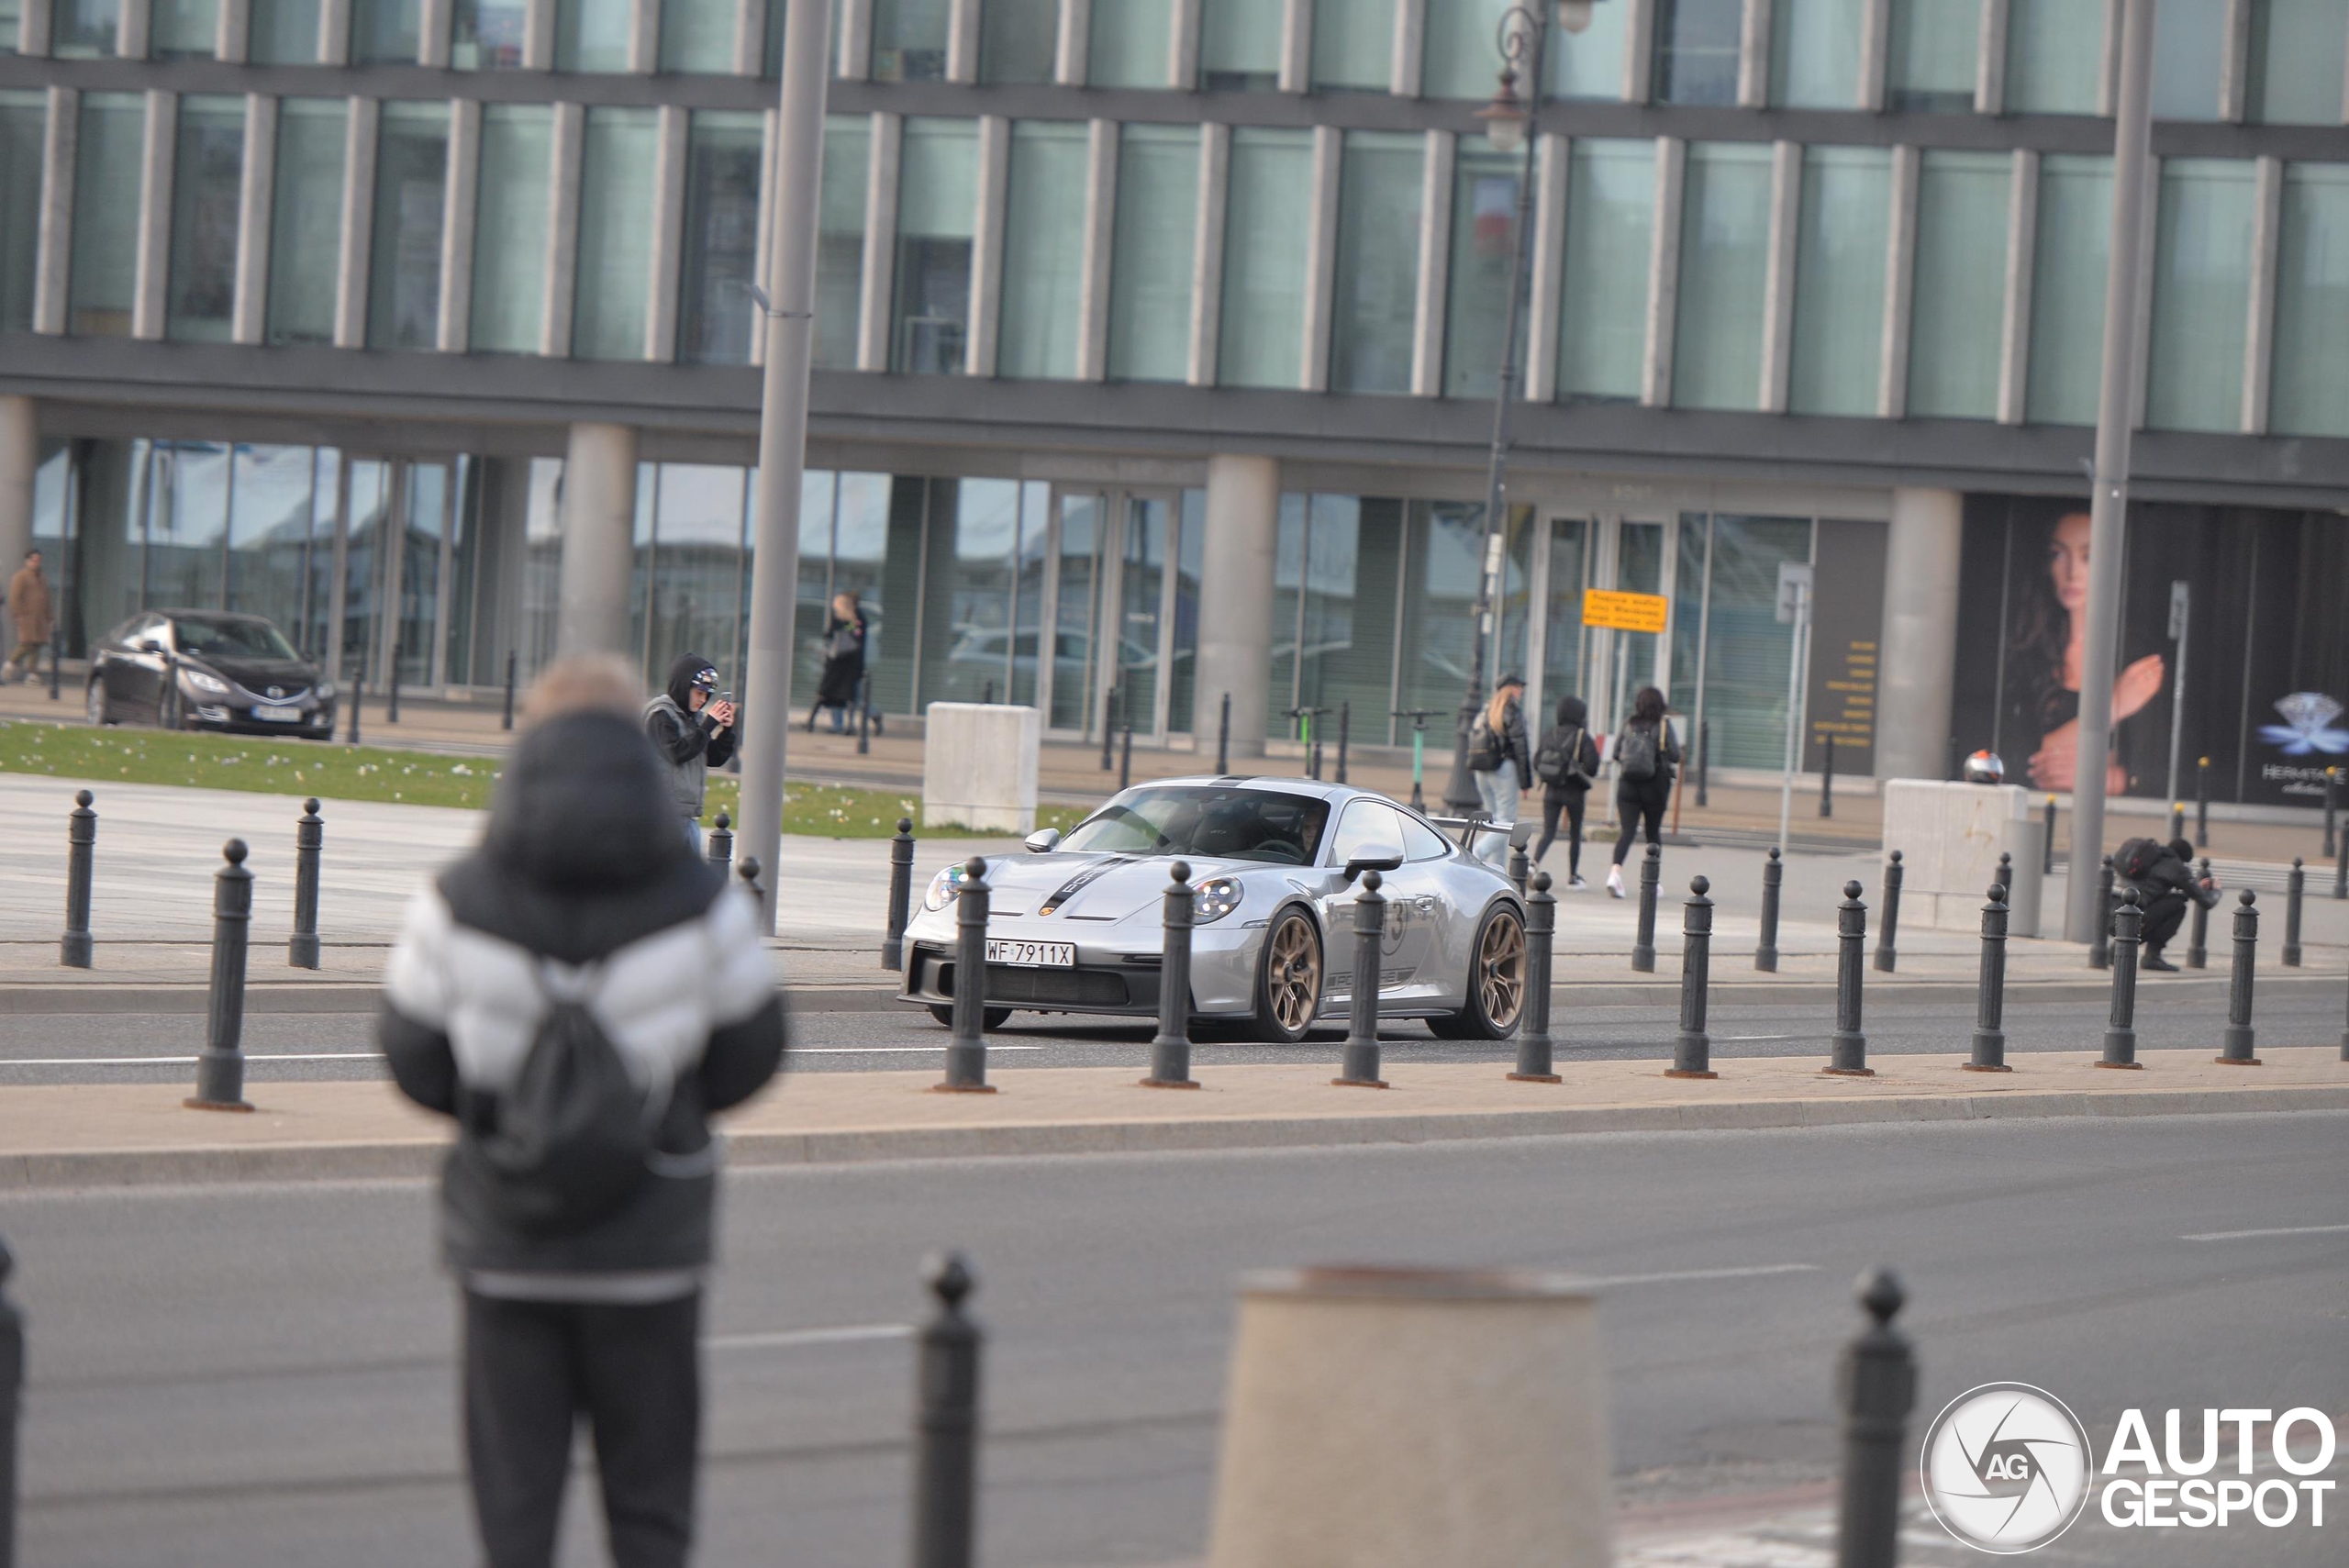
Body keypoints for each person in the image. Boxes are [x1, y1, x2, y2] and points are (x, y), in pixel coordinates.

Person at [378, 653, 788, 1568]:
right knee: (650, 1511)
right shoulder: (701, 901)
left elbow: (410, 1053)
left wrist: (499, 1113)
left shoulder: (455, 900)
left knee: (515, 1512)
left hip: (507, 1238)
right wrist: (666, 1107)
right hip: (650, 1240)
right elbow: (755, 1047)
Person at [2004, 509, 2165, 794]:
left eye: (2088, 557)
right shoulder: (2028, 650)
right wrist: (2116, 705)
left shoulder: (2137, 655)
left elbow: (2169, 765)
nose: (2071, 573)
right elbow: (2034, 756)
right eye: (2058, 555)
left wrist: (2111, 779)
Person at [644, 654, 737, 848]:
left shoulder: (693, 720)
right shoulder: (660, 715)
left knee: (688, 877)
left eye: (706, 695)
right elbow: (677, 752)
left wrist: (726, 730)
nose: (702, 700)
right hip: (664, 815)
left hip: (688, 816)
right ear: (683, 687)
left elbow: (713, 756)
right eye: (698, 693)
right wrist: (708, 725)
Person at [1607, 686, 1681, 899]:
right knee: (1653, 833)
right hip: (1655, 786)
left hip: (1627, 785)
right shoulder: (1664, 725)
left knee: (1627, 831)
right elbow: (1675, 755)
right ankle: (1652, 881)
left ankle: (1614, 874)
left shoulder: (1629, 723)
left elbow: (1616, 753)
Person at [2118, 835, 2219, 973]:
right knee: (2178, 905)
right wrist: (2217, 891)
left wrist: (2196, 886)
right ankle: (2152, 956)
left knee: (2167, 899)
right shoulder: (2176, 867)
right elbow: (2206, 902)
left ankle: (2115, 952)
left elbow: (2154, 887)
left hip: (2116, 914)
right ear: (2184, 858)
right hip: (2138, 919)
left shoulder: (2150, 858)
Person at [1531, 694, 1600, 887]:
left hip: (1551, 790)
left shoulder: (1550, 734)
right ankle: (1573, 876)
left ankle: (1533, 863)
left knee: (1548, 832)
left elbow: (1537, 761)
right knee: (1575, 834)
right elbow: (1592, 767)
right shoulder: (1582, 736)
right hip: (1574, 791)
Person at [1466, 673, 1532, 869]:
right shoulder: (1511, 710)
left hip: (1482, 770)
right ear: (1510, 688)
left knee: (1496, 822)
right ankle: (1477, 853)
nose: (1521, 690)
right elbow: (1521, 746)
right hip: (1504, 769)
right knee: (1507, 821)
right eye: (1519, 686)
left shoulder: (1486, 710)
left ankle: (1498, 870)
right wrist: (1525, 782)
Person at [808, 592, 869, 734]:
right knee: (837, 695)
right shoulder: (840, 618)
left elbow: (851, 636)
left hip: (849, 665)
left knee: (854, 697)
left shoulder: (856, 619)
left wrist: (844, 628)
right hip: (837, 664)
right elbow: (830, 635)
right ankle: (838, 724)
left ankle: (867, 717)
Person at [5, 548, 52, 684]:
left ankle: (32, 673)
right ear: (27, 561)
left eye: (38, 560)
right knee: (26, 643)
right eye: (33, 560)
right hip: (26, 617)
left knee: (36, 645)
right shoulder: (21, 576)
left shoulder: (42, 577)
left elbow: (47, 598)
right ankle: (10, 664)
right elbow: (14, 597)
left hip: (39, 618)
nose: (36, 562)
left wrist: (50, 617)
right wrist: (18, 614)